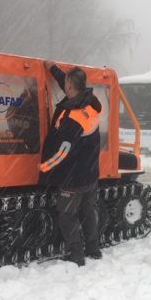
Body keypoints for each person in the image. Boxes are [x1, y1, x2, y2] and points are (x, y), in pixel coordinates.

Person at [38, 61, 103, 266]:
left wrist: (45, 167)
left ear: (69, 88)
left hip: (73, 178)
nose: (64, 87)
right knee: (87, 211)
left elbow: (63, 151)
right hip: (91, 174)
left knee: (67, 216)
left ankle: (76, 255)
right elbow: (69, 85)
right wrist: (54, 69)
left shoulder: (72, 119)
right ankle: (93, 248)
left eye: (65, 84)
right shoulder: (90, 103)